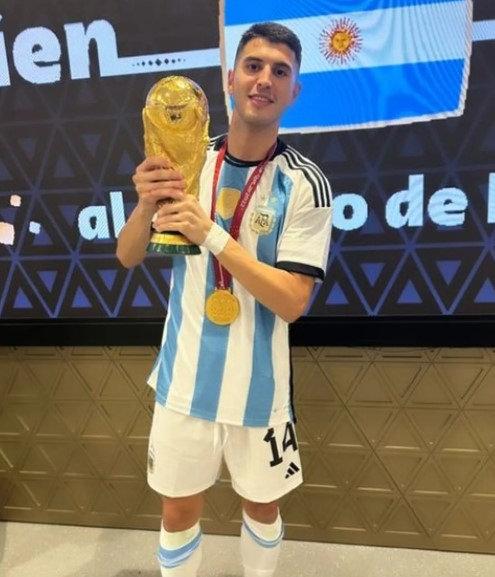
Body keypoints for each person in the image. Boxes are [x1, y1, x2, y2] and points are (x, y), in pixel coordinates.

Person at [116, 21, 332, 577]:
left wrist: (212, 235)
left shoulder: (304, 183)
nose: (264, 80)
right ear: (230, 78)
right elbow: (128, 255)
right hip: (184, 380)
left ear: (294, 91)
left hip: (260, 391)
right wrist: (145, 205)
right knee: (177, 510)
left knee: (262, 507)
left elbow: (293, 301)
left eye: (280, 71)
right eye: (254, 66)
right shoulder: (187, 160)